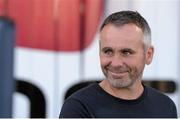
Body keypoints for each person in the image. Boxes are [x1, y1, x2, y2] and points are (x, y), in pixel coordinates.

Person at [59, 10, 177, 118]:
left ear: (148, 55)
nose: (116, 63)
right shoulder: (79, 108)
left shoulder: (165, 107)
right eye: (108, 51)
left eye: (126, 52)